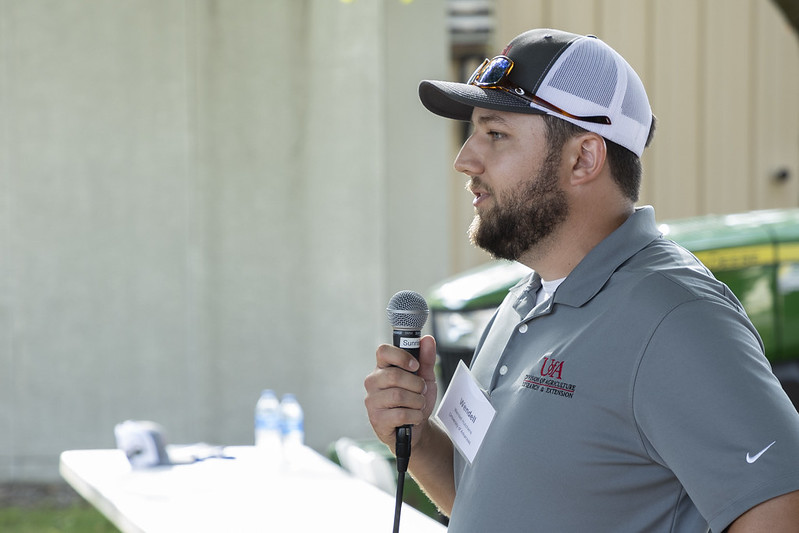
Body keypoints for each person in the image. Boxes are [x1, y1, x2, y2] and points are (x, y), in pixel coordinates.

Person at [364, 28, 799, 532]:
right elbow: (485, 501)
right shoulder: (520, 304)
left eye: (496, 133)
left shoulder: (676, 317)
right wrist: (416, 439)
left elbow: (781, 511)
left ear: (584, 158)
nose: (465, 160)